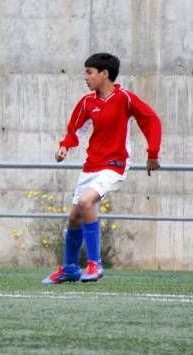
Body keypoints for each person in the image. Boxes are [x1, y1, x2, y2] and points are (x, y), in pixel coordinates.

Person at [42, 53, 161, 284]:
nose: (85, 77)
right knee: (74, 217)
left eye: (89, 72)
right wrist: (65, 147)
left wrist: (153, 152)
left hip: (114, 165)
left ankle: (95, 264)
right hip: (90, 166)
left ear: (104, 74)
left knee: (86, 203)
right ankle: (69, 269)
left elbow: (151, 120)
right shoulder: (87, 102)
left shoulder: (125, 98)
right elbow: (75, 130)